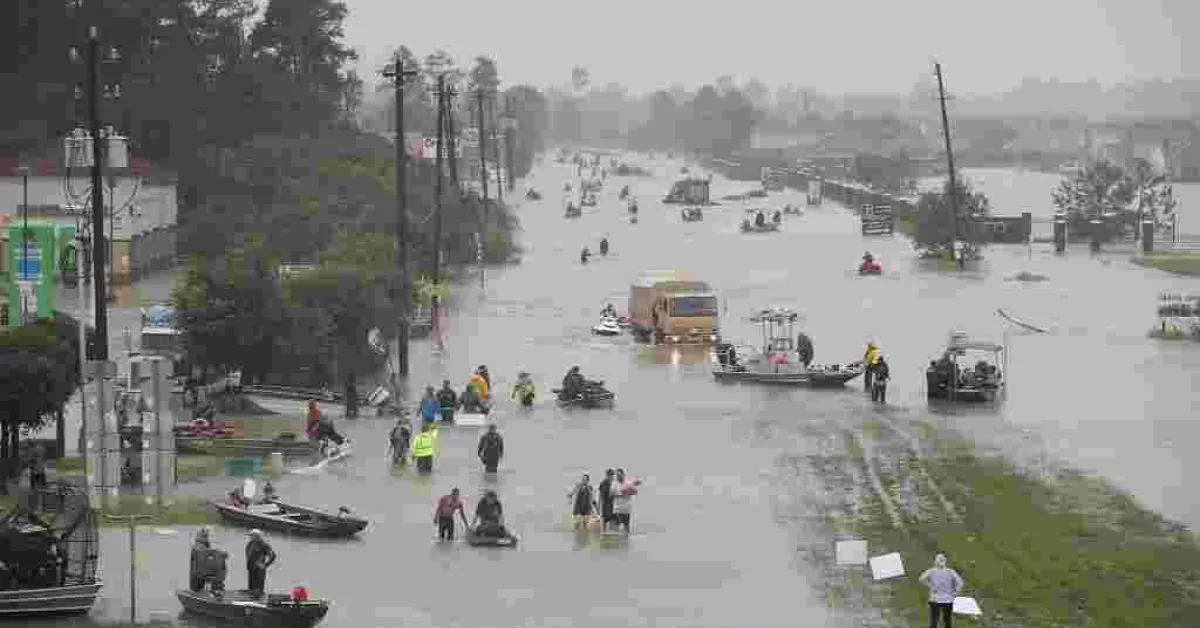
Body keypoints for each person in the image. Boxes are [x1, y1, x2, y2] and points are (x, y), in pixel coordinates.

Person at [919, 553, 964, 628]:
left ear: (936, 561)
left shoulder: (931, 571)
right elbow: (960, 583)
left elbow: (921, 579)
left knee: (934, 621)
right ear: (945, 561)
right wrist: (955, 593)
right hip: (948, 599)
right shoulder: (950, 571)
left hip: (934, 599)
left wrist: (931, 586)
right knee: (947, 621)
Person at [244, 529, 276, 598]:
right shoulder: (250, 543)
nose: (250, 537)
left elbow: (272, 555)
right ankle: (250, 601)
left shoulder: (264, 545)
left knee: (258, 589)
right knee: (251, 588)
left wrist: (265, 565)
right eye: (250, 536)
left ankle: (259, 601)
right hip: (251, 568)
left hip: (259, 570)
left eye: (252, 536)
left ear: (257, 536)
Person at [612, 468, 642, 534]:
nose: (618, 476)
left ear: (623, 475)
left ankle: (626, 541)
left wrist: (628, 492)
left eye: (620, 474)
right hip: (617, 509)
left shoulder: (628, 482)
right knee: (615, 527)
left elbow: (635, 491)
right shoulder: (614, 483)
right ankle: (617, 541)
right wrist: (621, 494)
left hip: (626, 509)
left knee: (626, 527)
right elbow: (611, 494)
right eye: (617, 475)